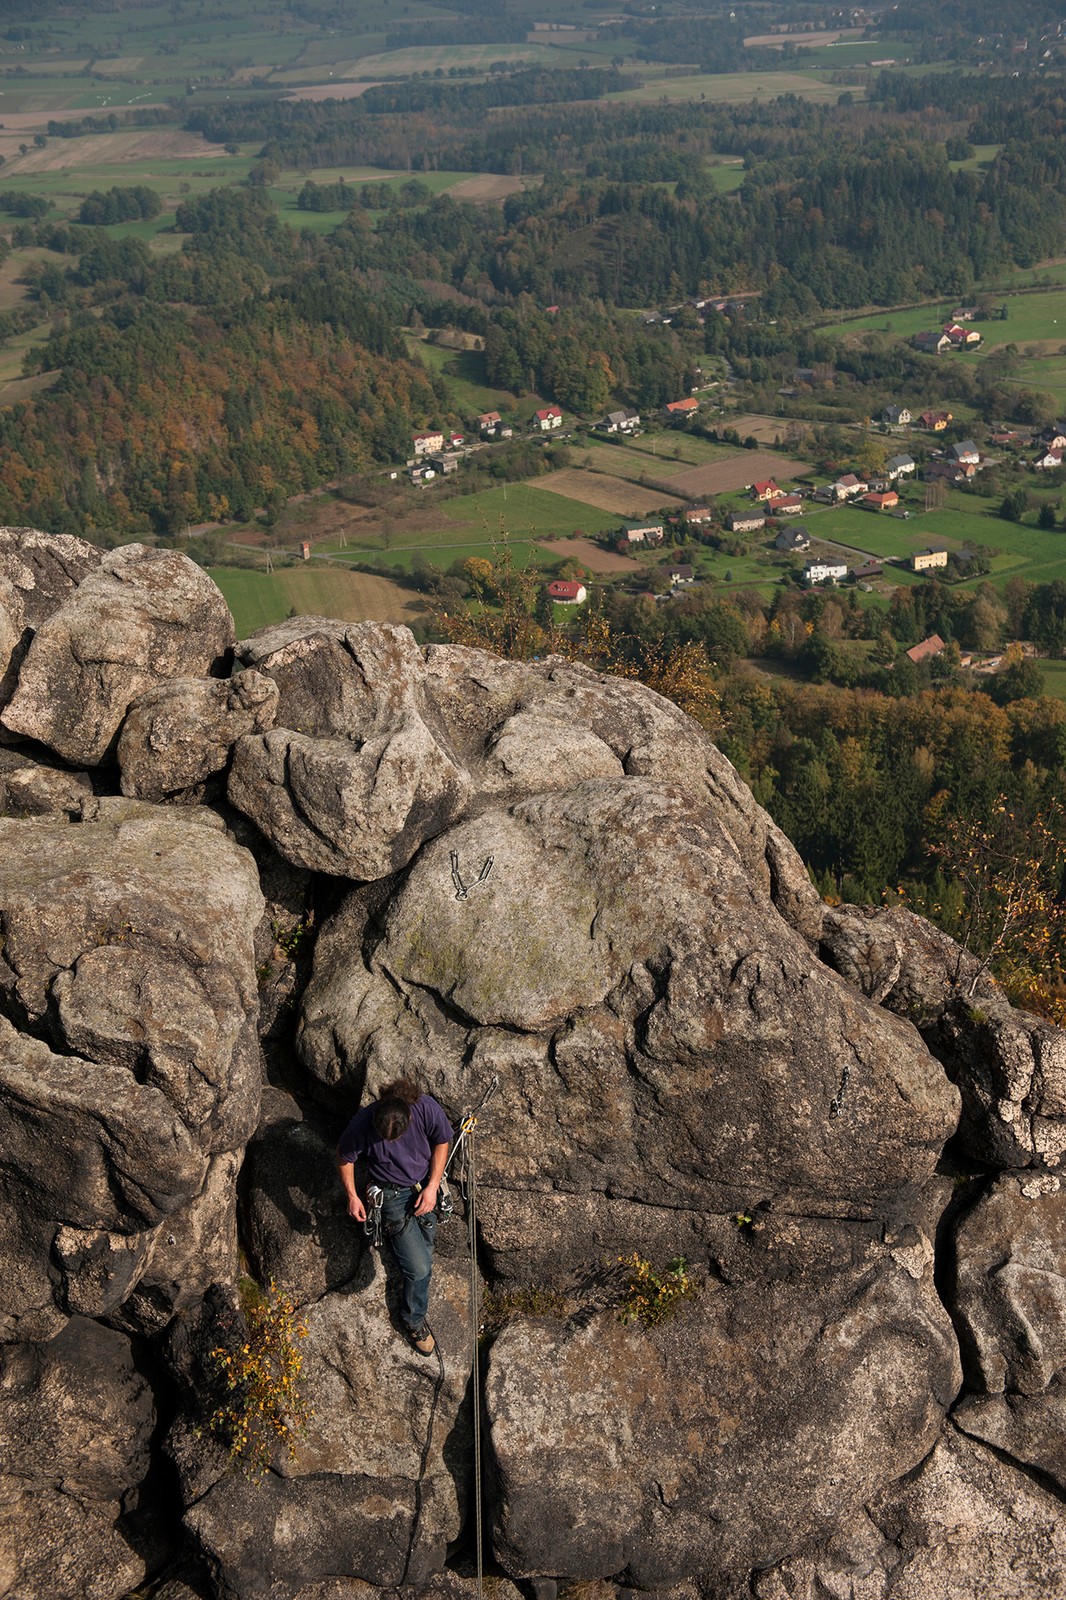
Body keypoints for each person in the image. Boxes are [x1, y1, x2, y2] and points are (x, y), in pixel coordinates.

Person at [337, 1078, 453, 1356]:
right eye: (384, 1138)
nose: (390, 1142)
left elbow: (442, 1140)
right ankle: (413, 1320)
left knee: (426, 1250)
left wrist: (432, 1187)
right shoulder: (363, 1122)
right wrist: (352, 1196)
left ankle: (415, 1288)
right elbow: (344, 1157)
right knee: (420, 1268)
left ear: (409, 1116)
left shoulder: (425, 1108)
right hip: (390, 1194)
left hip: (422, 1186)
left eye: (396, 1138)